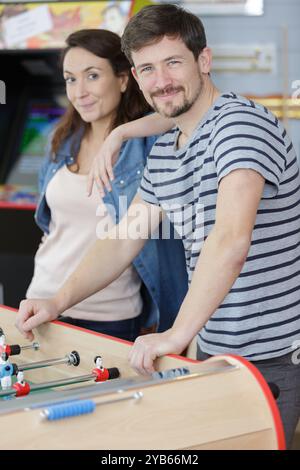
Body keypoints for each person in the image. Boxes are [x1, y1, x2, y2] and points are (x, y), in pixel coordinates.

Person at [16, 5, 300, 447]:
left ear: (203, 60)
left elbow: (231, 239)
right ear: (135, 74)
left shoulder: (239, 125)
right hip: (215, 349)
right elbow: (123, 240)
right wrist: (58, 300)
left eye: (173, 62)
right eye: (148, 68)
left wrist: (176, 333)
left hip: (273, 355)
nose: (161, 80)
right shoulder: (167, 148)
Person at [24, 28, 188, 342]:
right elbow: (53, 228)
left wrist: (120, 134)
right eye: (70, 78)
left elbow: (187, 113)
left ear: (124, 79)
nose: (79, 91)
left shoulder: (149, 143)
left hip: (109, 315)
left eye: (93, 76)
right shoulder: (60, 141)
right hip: (42, 302)